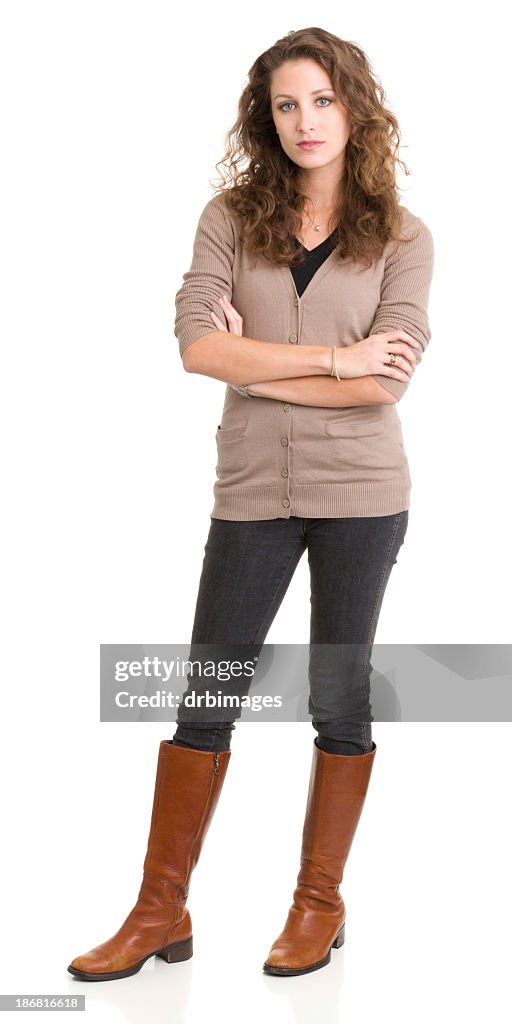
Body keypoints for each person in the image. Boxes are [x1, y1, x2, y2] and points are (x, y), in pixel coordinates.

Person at [68, 26, 434, 982]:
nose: (305, 121)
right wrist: (327, 359)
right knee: (208, 695)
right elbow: (195, 346)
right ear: (265, 118)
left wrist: (257, 367)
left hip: (364, 497)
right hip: (251, 495)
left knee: (337, 697)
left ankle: (319, 904)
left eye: (322, 100)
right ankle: (159, 911)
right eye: (285, 104)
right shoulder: (229, 217)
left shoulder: (402, 234)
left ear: (354, 108)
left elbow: (384, 384)